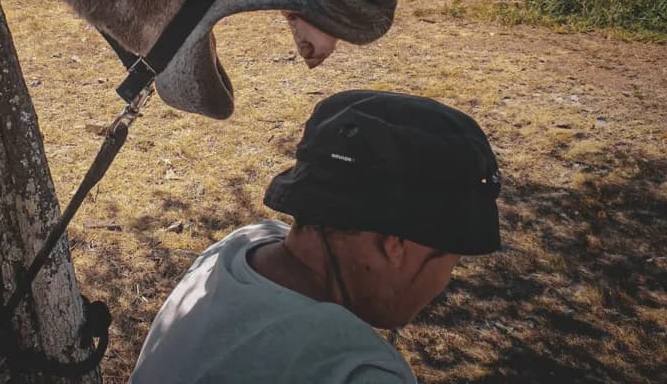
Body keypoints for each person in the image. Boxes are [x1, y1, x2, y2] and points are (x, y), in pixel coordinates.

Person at [129, 90, 502, 383]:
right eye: (450, 260)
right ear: (398, 244)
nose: (442, 285)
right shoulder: (359, 371)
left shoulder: (237, 249)